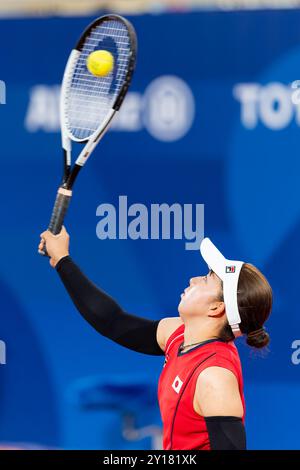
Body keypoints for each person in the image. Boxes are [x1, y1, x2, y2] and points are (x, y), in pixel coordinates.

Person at [39, 229, 272, 450]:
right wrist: (63, 260)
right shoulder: (179, 334)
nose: (193, 279)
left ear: (216, 307)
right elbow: (113, 321)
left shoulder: (214, 377)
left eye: (206, 278)